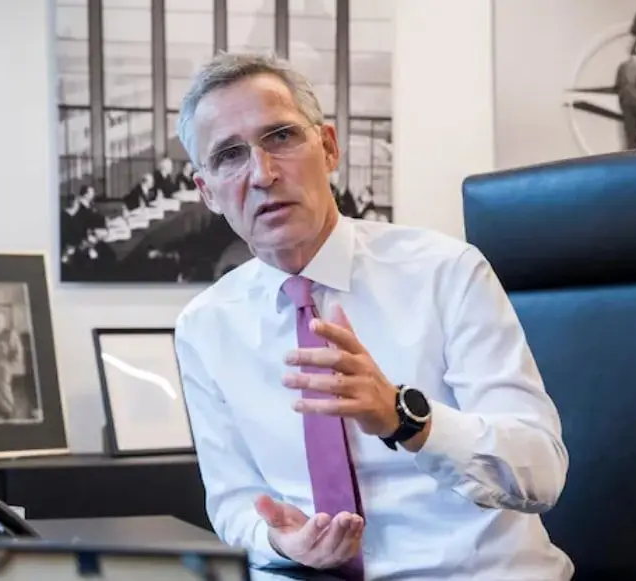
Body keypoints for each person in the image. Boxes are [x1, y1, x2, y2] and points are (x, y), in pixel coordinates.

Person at [173, 52, 573, 581]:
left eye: (281, 137)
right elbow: (233, 501)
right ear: (207, 192)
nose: (263, 174)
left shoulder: (445, 271)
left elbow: (541, 471)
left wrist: (404, 418)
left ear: (329, 147)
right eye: (229, 156)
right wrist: (279, 539)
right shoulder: (204, 326)